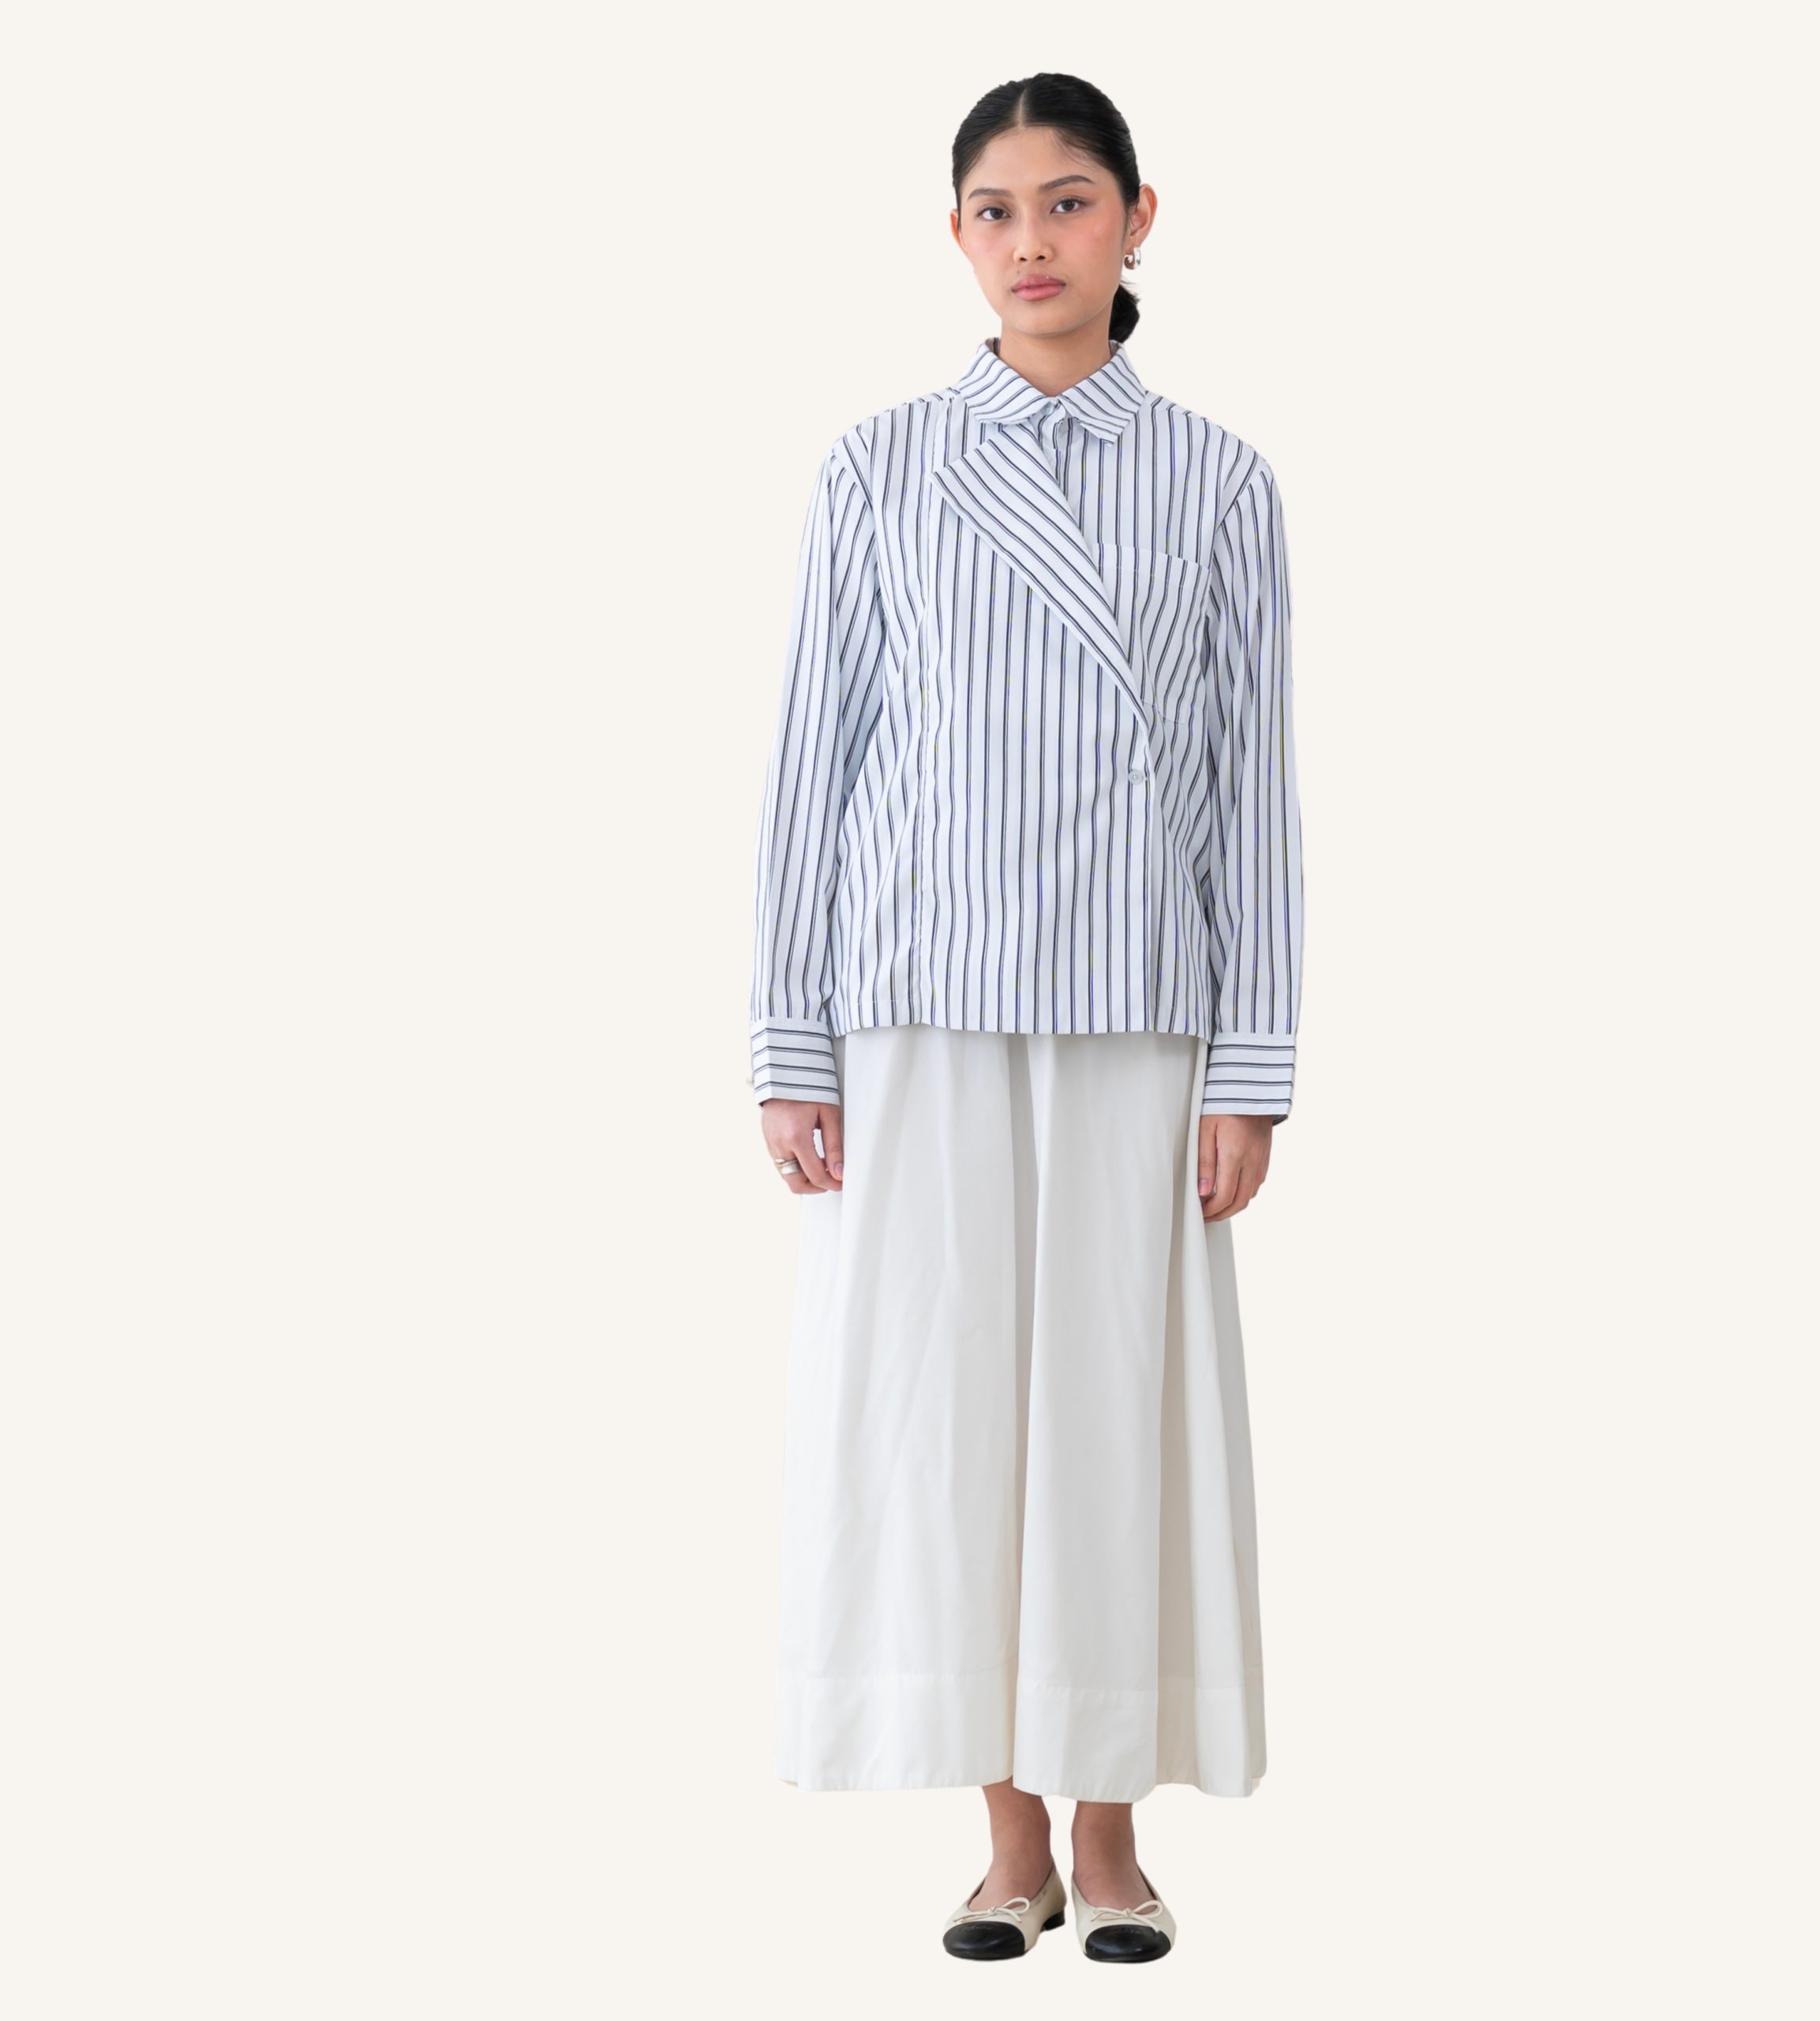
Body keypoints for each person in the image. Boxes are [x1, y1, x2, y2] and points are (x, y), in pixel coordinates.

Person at [744, 71, 1305, 1965]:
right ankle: (1004, 1838)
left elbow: (1251, 788)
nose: (1031, 240)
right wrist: (788, 1042)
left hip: (1136, 1012)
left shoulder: (1217, 479)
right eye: (994, 209)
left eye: (1068, 201)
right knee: (946, 1420)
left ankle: (1111, 1826)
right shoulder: (877, 467)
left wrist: (1250, 1063)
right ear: (955, 238)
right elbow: (811, 769)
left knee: (1110, 1422)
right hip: (916, 1008)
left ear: (1137, 219)